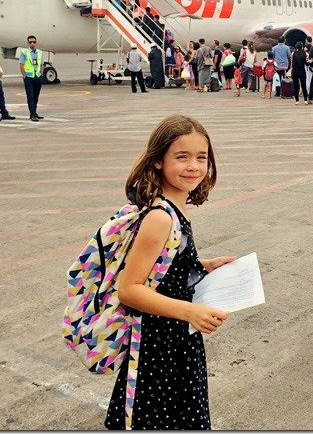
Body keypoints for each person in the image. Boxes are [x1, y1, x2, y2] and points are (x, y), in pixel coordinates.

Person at [104, 114, 236, 429]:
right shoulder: (160, 217)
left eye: (201, 158)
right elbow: (130, 289)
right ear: (159, 161)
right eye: (182, 156)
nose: (193, 166)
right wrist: (190, 311)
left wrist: (204, 266)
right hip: (158, 346)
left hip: (178, 338)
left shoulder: (177, 209)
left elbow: (166, 268)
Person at [19, 35, 45, 121]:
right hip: (29, 77)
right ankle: (32, 114)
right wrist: (24, 75)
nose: (32, 43)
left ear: (36, 42)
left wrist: (41, 74)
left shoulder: (40, 52)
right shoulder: (24, 52)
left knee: (36, 96)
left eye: (34, 42)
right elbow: (21, 64)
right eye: (30, 42)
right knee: (30, 96)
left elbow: (42, 64)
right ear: (28, 43)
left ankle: (34, 112)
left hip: (37, 77)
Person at [290, 41, 309, 105]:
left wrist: (291, 70)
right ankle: (305, 100)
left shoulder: (293, 53)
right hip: (302, 71)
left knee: (296, 86)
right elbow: (306, 63)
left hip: (295, 71)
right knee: (303, 86)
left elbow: (292, 63)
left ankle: (297, 100)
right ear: (302, 46)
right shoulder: (305, 53)